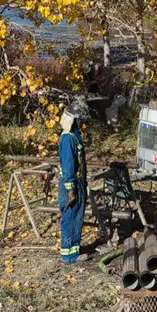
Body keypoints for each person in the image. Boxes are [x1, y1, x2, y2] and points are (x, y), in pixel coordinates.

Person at [58, 99, 89, 264]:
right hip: (71, 184)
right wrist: (71, 189)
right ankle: (69, 255)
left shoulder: (74, 135)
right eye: (81, 120)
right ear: (75, 119)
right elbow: (69, 166)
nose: (82, 123)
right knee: (70, 216)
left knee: (76, 216)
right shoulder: (68, 139)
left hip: (78, 183)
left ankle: (74, 250)